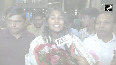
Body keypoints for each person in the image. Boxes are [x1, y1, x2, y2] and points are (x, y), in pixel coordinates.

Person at [25, 8, 91, 65]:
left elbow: (89, 60)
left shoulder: (73, 39)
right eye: (53, 18)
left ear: (64, 22)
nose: (57, 21)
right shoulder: (37, 42)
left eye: (60, 18)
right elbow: (29, 62)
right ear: (47, 23)